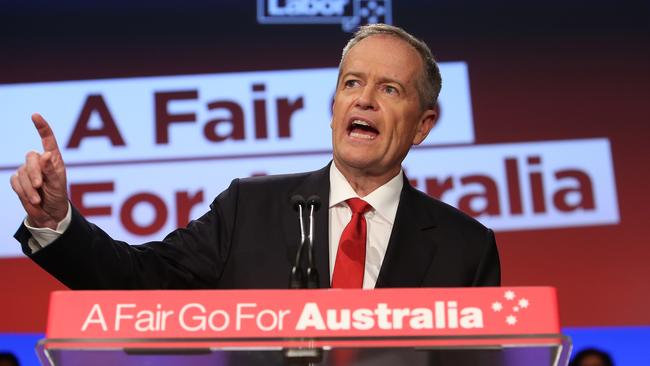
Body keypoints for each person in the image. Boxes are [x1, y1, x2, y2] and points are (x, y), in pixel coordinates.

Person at [11, 24, 500, 290]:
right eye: (351, 83)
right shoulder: (250, 208)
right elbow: (138, 280)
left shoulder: (466, 248)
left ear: (423, 126)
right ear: (333, 109)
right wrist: (57, 220)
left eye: (389, 89)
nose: (363, 99)